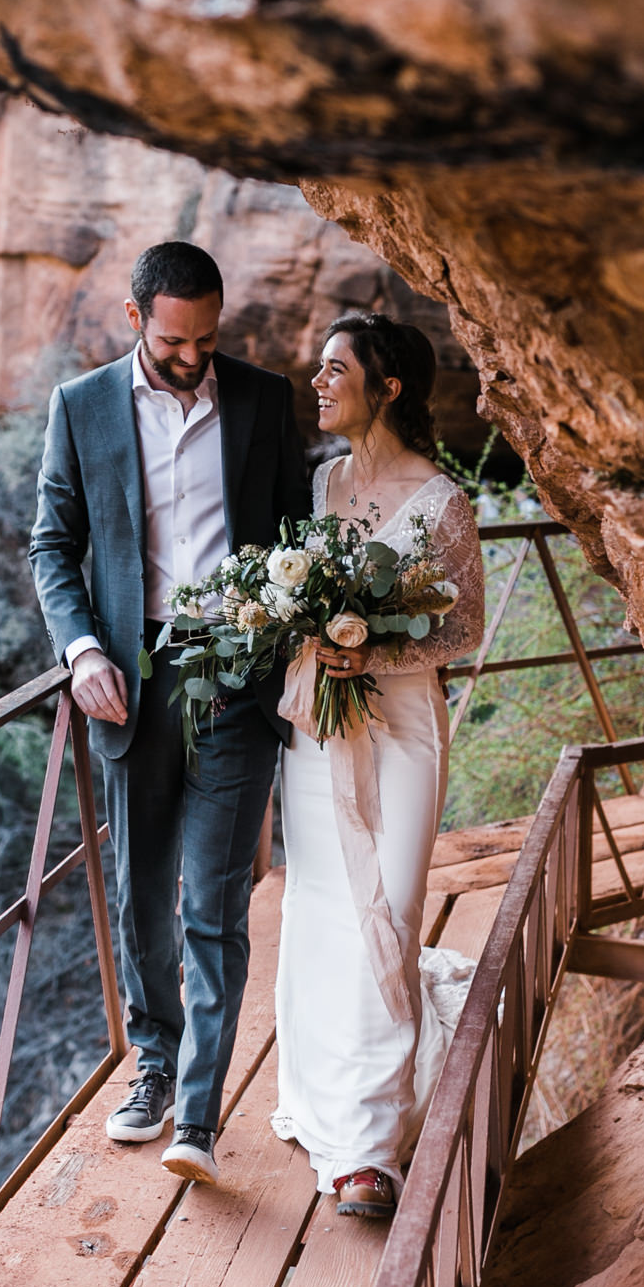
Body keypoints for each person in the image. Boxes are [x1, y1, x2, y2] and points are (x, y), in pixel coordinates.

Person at [29, 241, 312, 1186]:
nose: (195, 357)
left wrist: (284, 636)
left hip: (237, 675)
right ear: (134, 316)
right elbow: (51, 546)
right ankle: (151, 1067)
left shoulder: (266, 400)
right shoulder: (82, 408)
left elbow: (294, 532)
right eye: (176, 339)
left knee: (214, 897)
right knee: (142, 888)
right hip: (132, 676)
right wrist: (80, 652)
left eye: (208, 337)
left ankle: (197, 1112)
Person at [273, 314, 485, 1218]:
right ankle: (338, 1113)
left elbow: (464, 629)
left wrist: (377, 655)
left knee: (387, 906)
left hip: (400, 730)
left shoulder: (440, 501)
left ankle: (370, 1142)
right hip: (319, 733)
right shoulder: (320, 484)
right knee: (323, 905)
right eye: (318, 370)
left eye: (335, 370)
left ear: (387, 386)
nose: (318, 383)